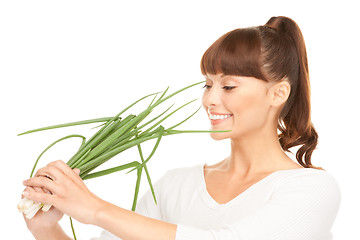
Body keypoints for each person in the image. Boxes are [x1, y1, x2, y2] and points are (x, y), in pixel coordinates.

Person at [22, 16, 341, 240]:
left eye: (228, 86)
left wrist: (94, 209)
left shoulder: (311, 190)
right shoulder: (175, 186)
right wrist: (46, 229)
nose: (210, 99)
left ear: (278, 93)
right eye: (207, 84)